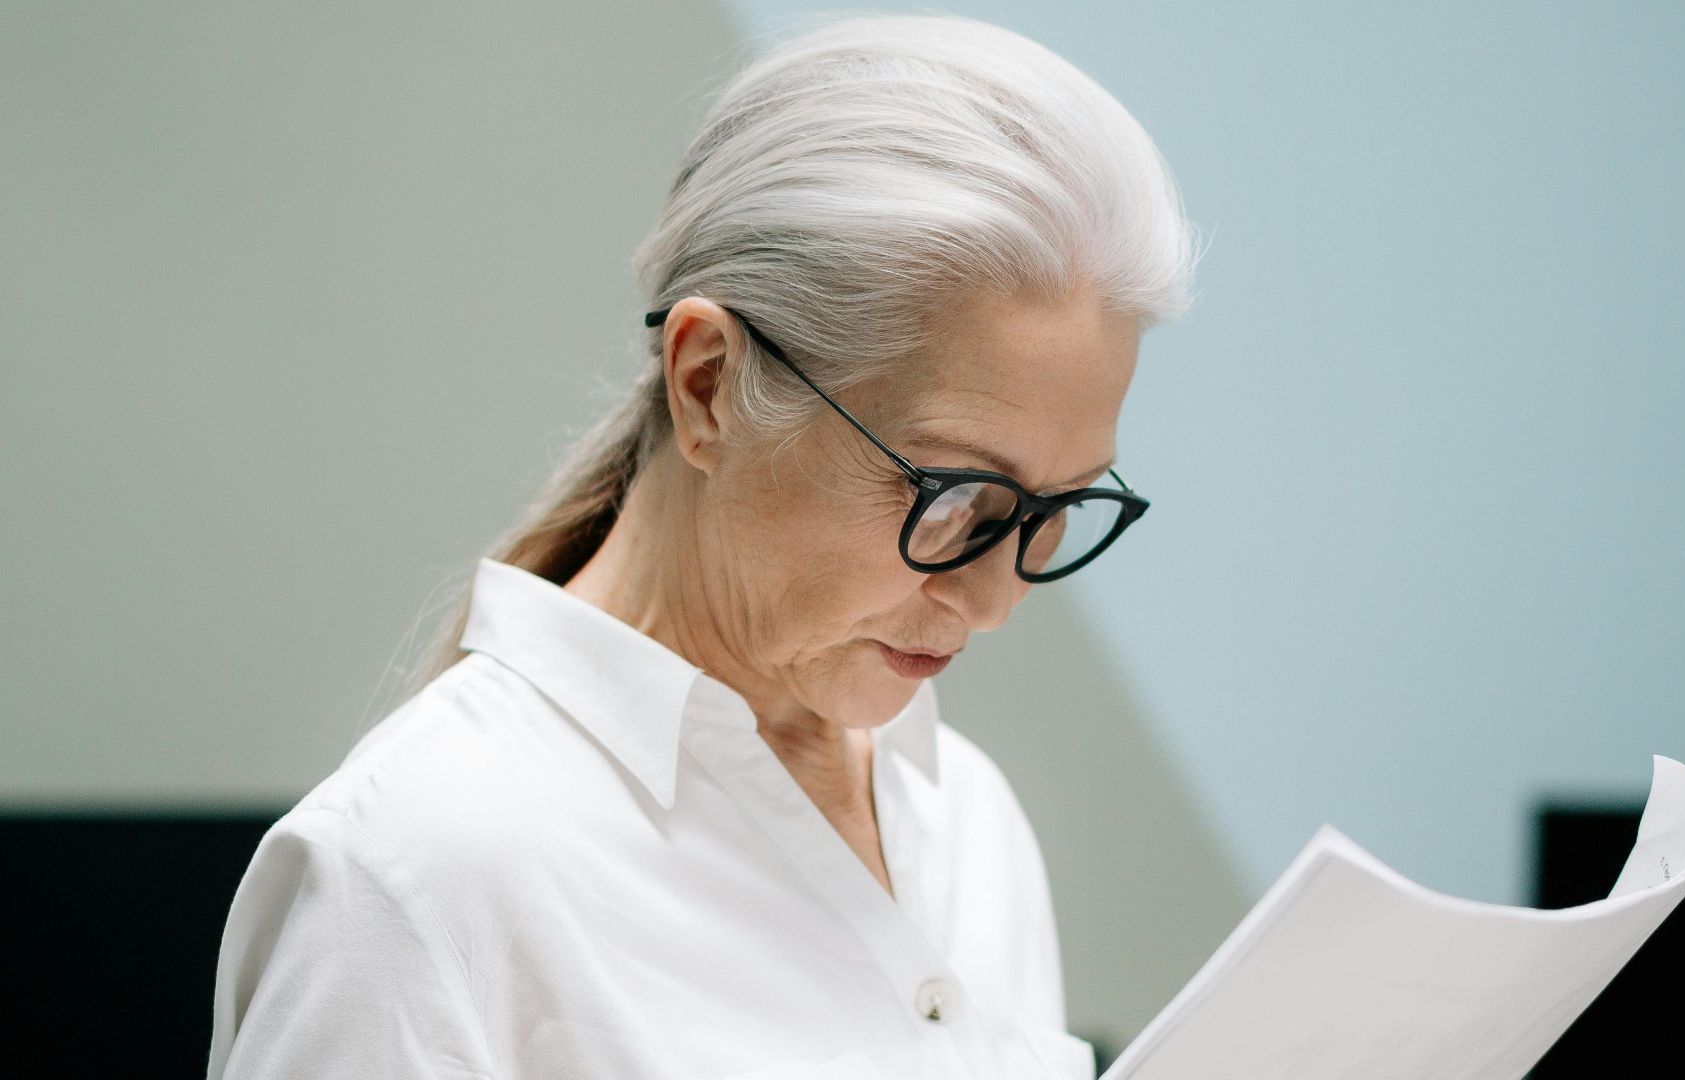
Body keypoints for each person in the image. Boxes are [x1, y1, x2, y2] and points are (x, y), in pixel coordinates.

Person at [206, 11, 1198, 1079]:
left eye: (1056, 510)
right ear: (708, 384)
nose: (997, 599)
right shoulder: (410, 876)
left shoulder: (966, 821)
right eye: (954, 497)